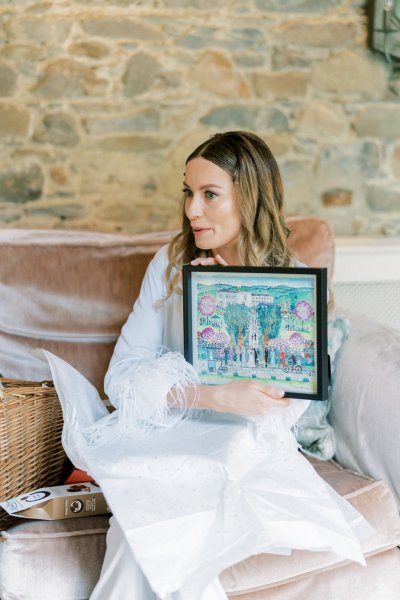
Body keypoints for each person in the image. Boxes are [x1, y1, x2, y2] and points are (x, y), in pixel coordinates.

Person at [79, 131, 370, 600]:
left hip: (242, 447)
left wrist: (230, 299)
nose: (193, 209)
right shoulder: (171, 267)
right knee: (145, 531)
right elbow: (120, 380)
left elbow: (285, 409)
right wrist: (209, 394)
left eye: (210, 195)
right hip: (167, 436)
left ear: (250, 200)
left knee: (155, 535)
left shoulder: (292, 287)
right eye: (189, 193)